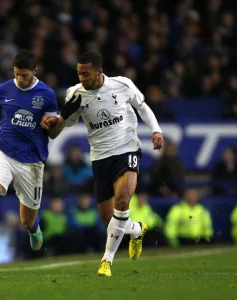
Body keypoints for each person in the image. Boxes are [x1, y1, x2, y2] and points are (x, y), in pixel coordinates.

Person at [41, 52, 164, 276]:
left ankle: (106, 261)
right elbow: (54, 134)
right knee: (110, 221)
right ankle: (137, 230)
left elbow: (143, 106)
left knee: (123, 199)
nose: (81, 78)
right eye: (79, 73)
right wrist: (63, 114)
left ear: (99, 72)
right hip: (100, 158)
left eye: (85, 73)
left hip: (127, 149)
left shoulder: (122, 85)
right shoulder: (74, 93)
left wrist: (156, 130)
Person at [0, 50, 58, 252]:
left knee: (26, 220)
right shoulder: (3, 89)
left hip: (32, 162)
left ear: (34, 71)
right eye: (16, 73)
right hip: (4, 153)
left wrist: (52, 123)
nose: (19, 78)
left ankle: (34, 229)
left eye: (24, 75)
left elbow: (53, 132)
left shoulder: (47, 95)